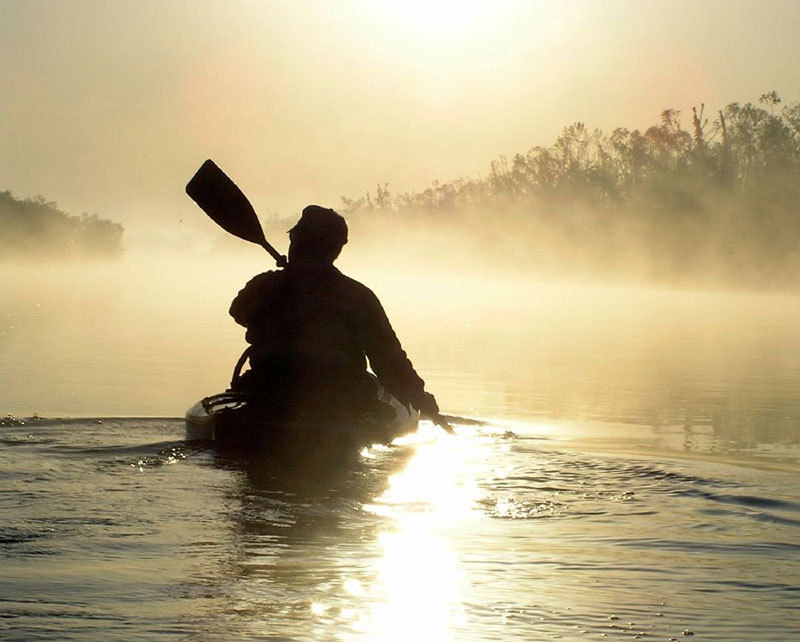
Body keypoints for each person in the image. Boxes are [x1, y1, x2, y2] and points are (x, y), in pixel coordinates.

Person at [228, 205, 439, 427]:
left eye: (293, 237)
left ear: (297, 243)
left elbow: (238, 312)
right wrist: (420, 399)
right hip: (338, 399)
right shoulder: (358, 296)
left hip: (269, 392)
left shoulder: (265, 286)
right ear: (336, 250)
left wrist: (284, 282)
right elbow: (388, 360)